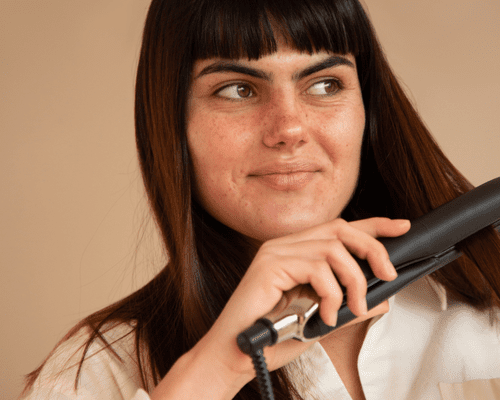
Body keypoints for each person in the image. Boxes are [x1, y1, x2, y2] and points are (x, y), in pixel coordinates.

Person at [19, 0, 500, 399]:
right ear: (173, 124)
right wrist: (220, 367)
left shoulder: (483, 305)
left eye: (326, 84)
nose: (289, 129)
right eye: (237, 89)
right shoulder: (96, 372)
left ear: (366, 110)